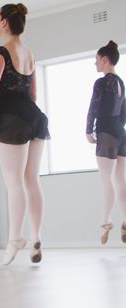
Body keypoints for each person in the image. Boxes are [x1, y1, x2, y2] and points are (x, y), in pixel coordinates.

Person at [0, 4, 49, 265]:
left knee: (14, 182)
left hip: (12, 119)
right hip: (36, 118)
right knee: (32, 179)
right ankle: (35, 236)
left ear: (5, 23)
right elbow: (33, 95)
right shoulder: (29, 53)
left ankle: (14, 238)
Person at [85, 40, 126, 245]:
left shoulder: (101, 82)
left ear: (105, 59)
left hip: (106, 133)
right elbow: (124, 112)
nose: (95, 64)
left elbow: (94, 106)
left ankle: (106, 221)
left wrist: (88, 130)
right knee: (120, 179)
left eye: (96, 60)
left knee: (106, 179)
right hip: (121, 134)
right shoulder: (121, 83)